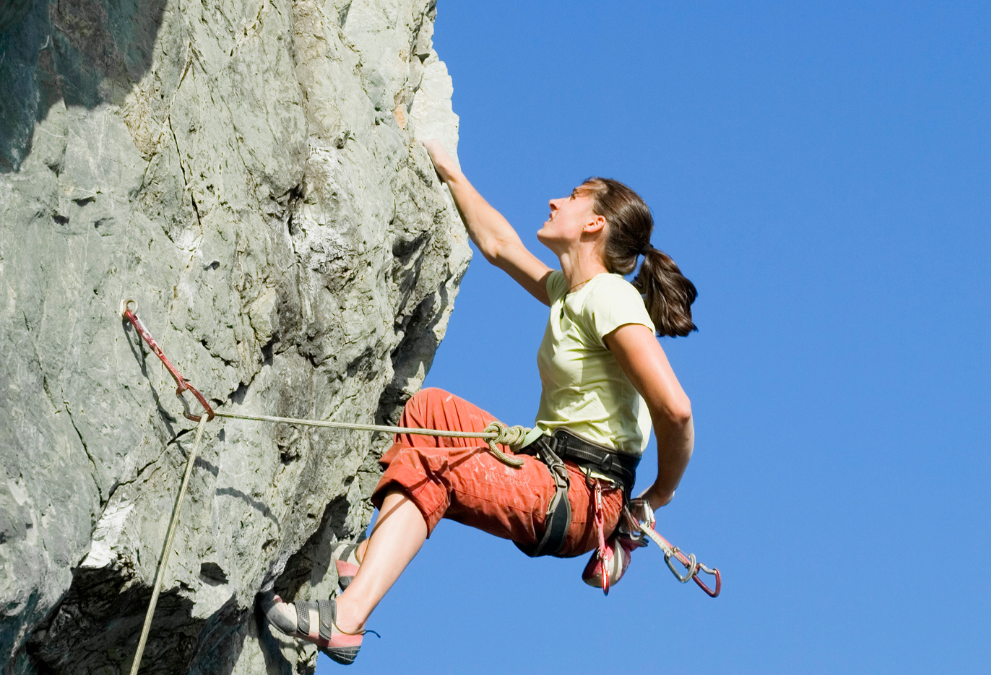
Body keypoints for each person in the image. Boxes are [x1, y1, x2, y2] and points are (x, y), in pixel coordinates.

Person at [264, 139, 698, 665]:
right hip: (561, 477)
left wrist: (655, 498)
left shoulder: (609, 297)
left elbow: (675, 409)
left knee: (437, 455)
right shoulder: (573, 294)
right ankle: (367, 560)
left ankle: (347, 619)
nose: (555, 201)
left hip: (582, 493)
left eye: (573, 196)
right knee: (431, 411)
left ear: (595, 224)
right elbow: (500, 246)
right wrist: (451, 171)